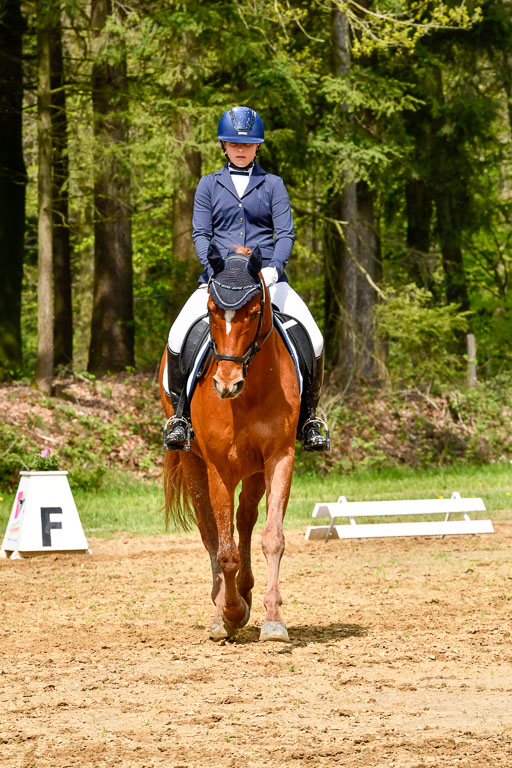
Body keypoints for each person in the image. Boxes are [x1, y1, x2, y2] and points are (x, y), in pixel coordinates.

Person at [164, 106, 329, 451]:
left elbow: (285, 234)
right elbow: (200, 234)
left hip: (266, 279)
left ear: (257, 147)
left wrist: (274, 268)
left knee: (313, 337)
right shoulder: (209, 184)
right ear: (224, 145)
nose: (241, 149)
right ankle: (180, 417)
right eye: (234, 144)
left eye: (248, 144)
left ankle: (310, 418)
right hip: (219, 280)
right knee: (178, 336)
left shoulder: (273, 185)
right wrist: (213, 269)